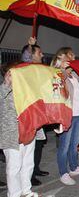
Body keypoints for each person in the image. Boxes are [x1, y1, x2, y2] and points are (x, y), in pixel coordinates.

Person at [51, 47, 79, 186]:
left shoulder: (73, 74)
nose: (72, 58)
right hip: (67, 115)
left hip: (78, 113)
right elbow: (56, 73)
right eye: (69, 56)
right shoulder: (59, 74)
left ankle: (74, 167)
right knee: (64, 145)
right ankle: (63, 173)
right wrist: (62, 66)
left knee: (74, 143)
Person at [1, 61, 39, 197]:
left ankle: (26, 190)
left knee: (28, 163)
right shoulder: (3, 89)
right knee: (14, 166)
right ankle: (14, 194)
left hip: (29, 131)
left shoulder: (27, 89)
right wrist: (6, 84)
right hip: (12, 134)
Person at [20, 37, 48, 187]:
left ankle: (35, 169)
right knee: (29, 146)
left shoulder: (41, 69)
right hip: (30, 113)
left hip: (39, 112)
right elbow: (25, 58)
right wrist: (30, 47)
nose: (42, 55)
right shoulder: (27, 67)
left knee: (38, 144)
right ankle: (28, 177)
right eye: (39, 53)